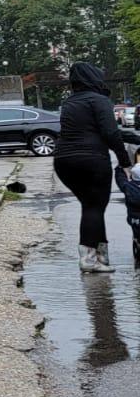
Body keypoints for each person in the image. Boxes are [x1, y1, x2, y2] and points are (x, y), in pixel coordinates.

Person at [54, 62, 133, 273]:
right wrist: (125, 161)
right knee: (94, 207)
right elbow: (110, 133)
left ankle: (100, 256)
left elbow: (94, 130)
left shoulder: (69, 102)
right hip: (91, 161)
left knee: (92, 207)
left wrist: (132, 137)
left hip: (64, 162)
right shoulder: (99, 100)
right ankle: (89, 259)